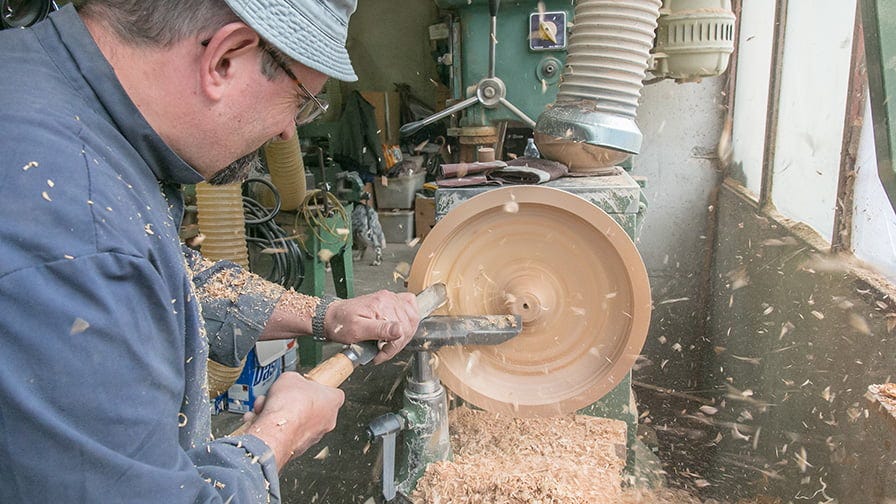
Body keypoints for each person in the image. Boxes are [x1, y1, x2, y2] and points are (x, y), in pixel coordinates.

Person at [0, 0, 420, 502]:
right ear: (224, 58)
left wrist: (326, 315)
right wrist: (275, 437)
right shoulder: (82, 232)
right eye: (301, 101)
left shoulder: (43, 85)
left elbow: (169, 278)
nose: (290, 131)